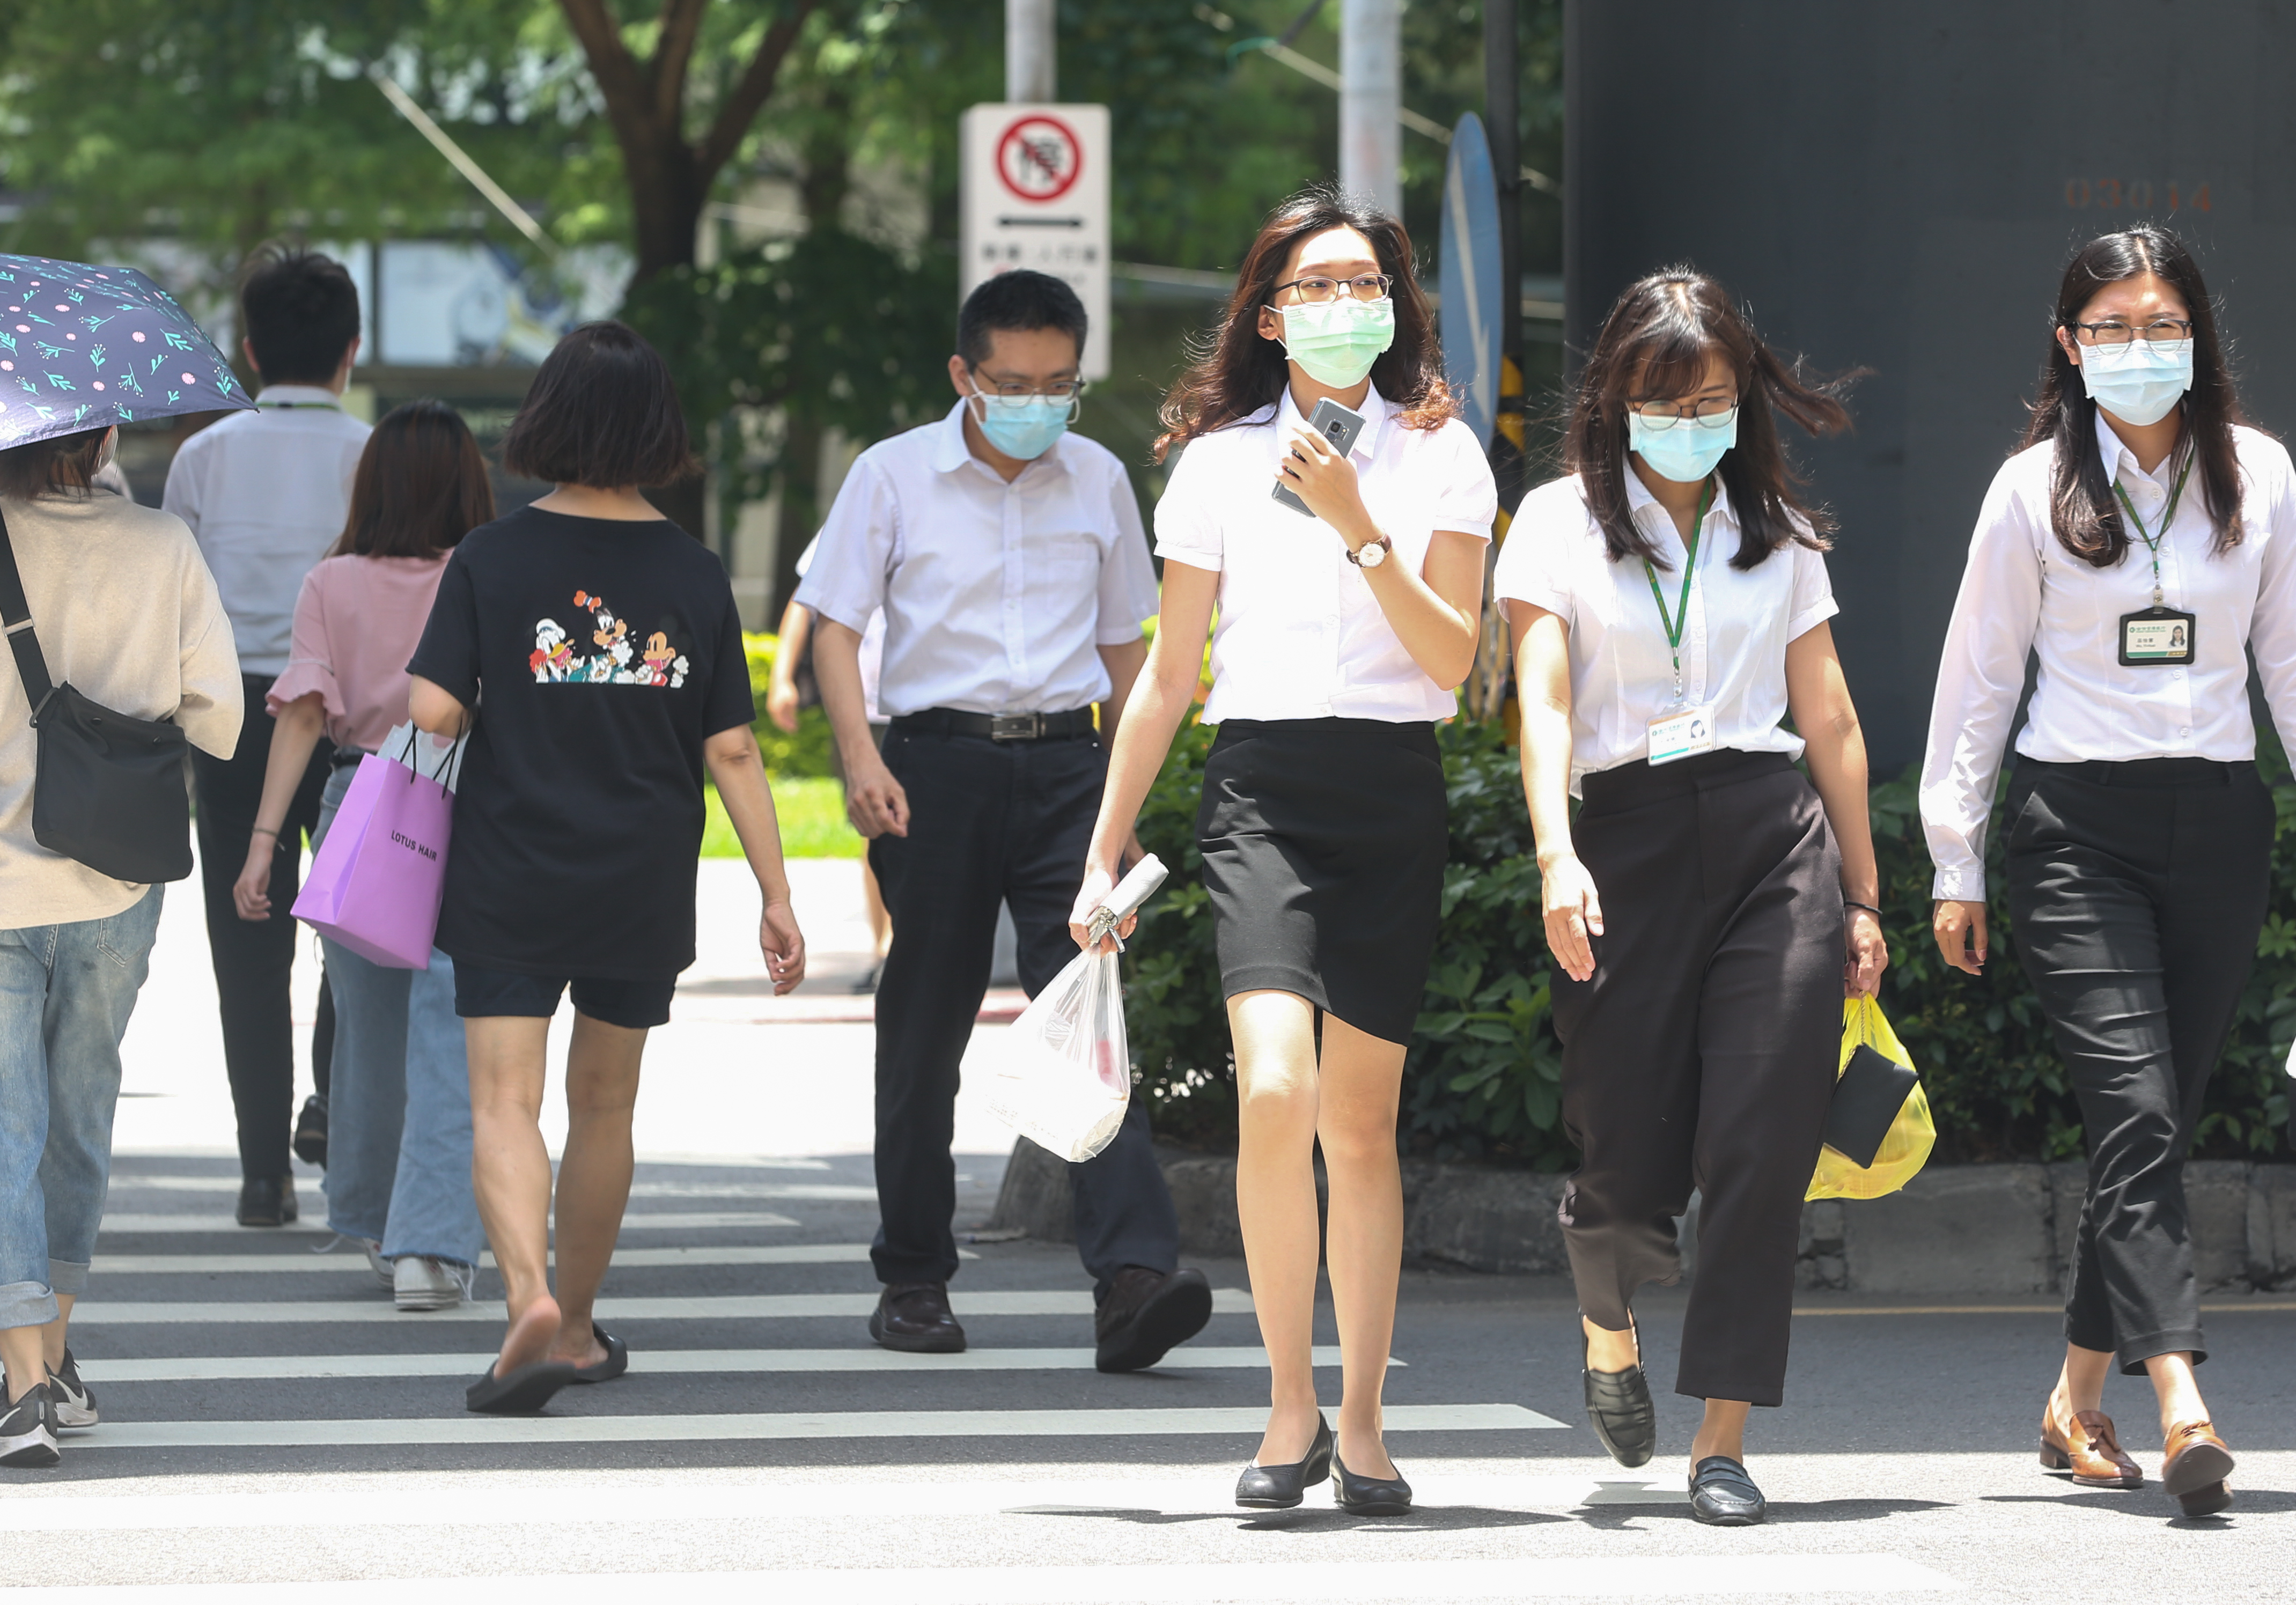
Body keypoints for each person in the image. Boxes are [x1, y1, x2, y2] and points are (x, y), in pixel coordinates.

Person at [1920, 225, 2296, 1517]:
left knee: (2150, 1127)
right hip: (2073, 833)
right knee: (2134, 1117)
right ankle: (2179, 1395)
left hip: (2217, 827)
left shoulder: (2259, 478)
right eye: (2110, 327)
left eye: (2161, 322)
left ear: (2197, 337)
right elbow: (1976, 683)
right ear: (2069, 348)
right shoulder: (2028, 491)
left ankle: (2073, 1394)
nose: (2139, 347)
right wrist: (1953, 857)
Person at [1079, 186, 1498, 1513]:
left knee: (1360, 1126)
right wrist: (1104, 846)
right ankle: (1285, 1406)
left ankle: (1363, 1419)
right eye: (1313, 287)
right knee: (1273, 1092)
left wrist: (1357, 522)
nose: (1340, 306)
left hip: (1387, 783)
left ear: (1395, 306)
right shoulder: (1212, 461)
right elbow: (1163, 676)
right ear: (1270, 314)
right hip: (1259, 785)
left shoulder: (1442, 455)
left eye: (1362, 283)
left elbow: (1449, 664)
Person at [1495, 268, 1889, 1527]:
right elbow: (1543, 702)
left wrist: (1864, 893)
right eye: (1662, 397)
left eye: (1710, 396)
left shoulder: (1772, 521)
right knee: (1623, 1157)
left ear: (1741, 400)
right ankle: (1604, 1320)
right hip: (1622, 837)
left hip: (1772, 837)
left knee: (1760, 1143)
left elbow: (1824, 713)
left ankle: (1720, 1437)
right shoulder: (1554, 520)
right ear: (1614, 397)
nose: (1686, 419)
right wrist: (1556, 853)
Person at [796, 271, 1210, 1374]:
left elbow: (1132, 648)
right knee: (924, 1027)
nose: (1036, 403)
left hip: (1071, 773)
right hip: (929, 771)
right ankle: (915, 1276)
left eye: (1059, 385)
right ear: (963, 377)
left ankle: (1133, 1278)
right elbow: (835, 627)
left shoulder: (1100, 478)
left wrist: (1131, 806)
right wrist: (859, 758)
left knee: (1088, 1010)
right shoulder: (891, 476)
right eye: (1012, 384)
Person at [402, 321, 806, 1415]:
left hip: (510, 867)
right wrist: (775, 893)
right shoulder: (692, 567)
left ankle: (525, 1297)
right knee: (606, 1108)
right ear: (658, 432)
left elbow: (433, 710)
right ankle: (575, 1327)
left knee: (504, 1100)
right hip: (641, 872)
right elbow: (730, 747)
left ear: (549, 421)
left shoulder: (493, 556)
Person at [0, 422, 242, 1466]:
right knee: (79, 1118)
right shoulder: (164, 543)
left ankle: (26, 1383)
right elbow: (220, 720)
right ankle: (58, 1356)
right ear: (108, 434)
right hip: (119, 878)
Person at [233, 401, 496, 1311]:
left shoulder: (330, 582)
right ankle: (435, 1248)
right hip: (469, 799)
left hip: (360, 803)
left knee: (370, 1037)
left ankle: (383, 1228)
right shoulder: (487, 570)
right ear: (470, 482)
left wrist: (265, 843)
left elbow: (304, 713)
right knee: (453, 1032)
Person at [164, 251, 371, 1228]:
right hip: (354, 718)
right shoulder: (376, 454)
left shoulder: (203, 458)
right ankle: (328, 1099)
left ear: (248, 349)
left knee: (246, 945)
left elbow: (176, 599)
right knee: (358, 922)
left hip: (232, 713)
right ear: (351, 351)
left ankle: (263, 1179)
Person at [764, 536, 892, 989]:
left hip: (933, 705)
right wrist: (782, 677)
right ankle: (886, 948)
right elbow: (806, 599)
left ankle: (913, 944)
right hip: (862, 710)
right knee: (877, 828)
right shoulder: (857, 508)